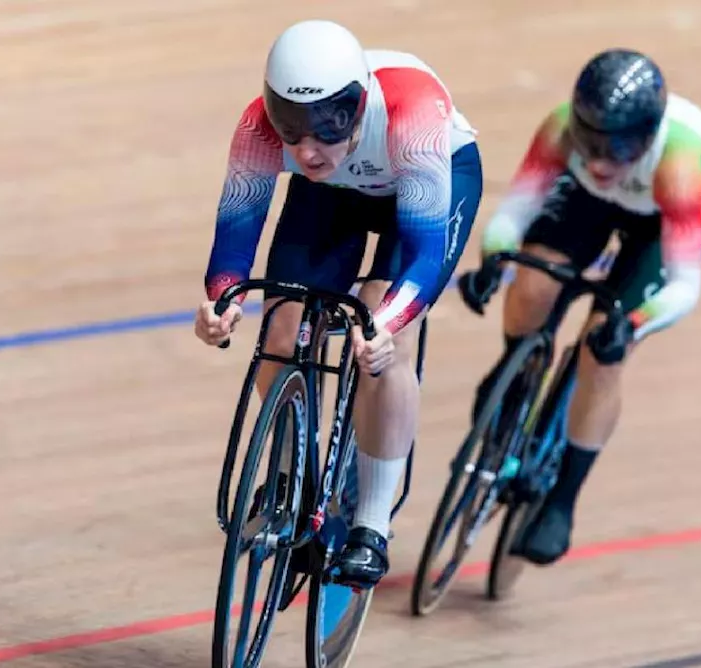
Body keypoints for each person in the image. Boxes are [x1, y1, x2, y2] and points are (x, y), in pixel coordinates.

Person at [193, 19, 483, 589]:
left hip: (420, 190)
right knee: (281, 330)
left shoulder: (413, 113)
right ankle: (292, 475)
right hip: (332, 197)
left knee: (383, 337)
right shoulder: (258, 126)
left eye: (325, 129)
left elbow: (424, 252)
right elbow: (236, 232)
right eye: (291, 129)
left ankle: (371, 525)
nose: (305, 148)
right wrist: (220, 303)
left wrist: (390, 323)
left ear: (358, 106)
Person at [458, 48, 701, 565]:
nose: (603, 161)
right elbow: (512, 215)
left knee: (601, 353)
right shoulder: (561, 128)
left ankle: (563, 501)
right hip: (587, 201)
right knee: (535, 284)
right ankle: (514, 367)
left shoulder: (679, 161)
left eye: (620, 147)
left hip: (657, 219)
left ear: (649, 135)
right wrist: (496, 262)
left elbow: (683, 284)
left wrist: (631, 324)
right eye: (592, 144)